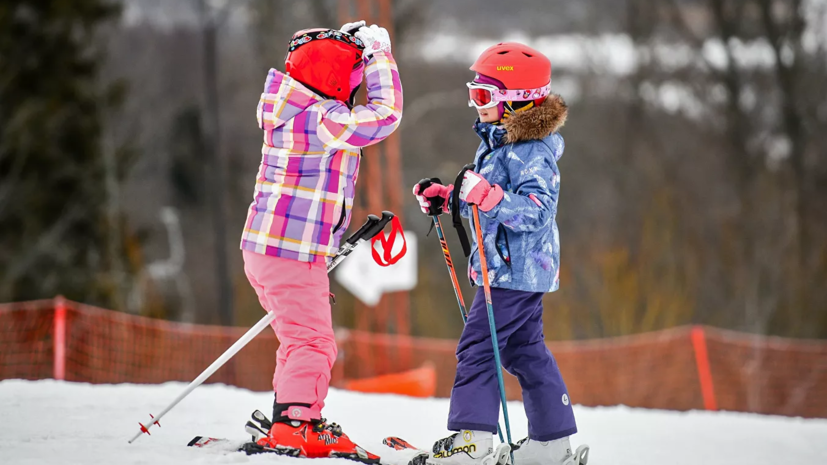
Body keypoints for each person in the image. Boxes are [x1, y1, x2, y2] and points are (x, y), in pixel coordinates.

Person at [412, 42, 588, 465]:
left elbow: (538, 211)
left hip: (514, 270)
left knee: (478, 348)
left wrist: (488, 196)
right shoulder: (503, 143)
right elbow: (488, 198)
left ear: (517, 103)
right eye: (474, 93)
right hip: (513, 270)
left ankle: (473, 442)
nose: (476, 105)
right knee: (523, 351)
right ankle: (551, 444)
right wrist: (451, 197)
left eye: (485, 96)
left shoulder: (532, 151)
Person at [241, 21, 402, 462]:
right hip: (290, 253)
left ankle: (287, 415)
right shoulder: (323, 120)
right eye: (349, 79)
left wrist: (344, 47)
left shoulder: (291, 110)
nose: (352, 90)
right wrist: (378, 56)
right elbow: (386, 115)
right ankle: (297, 424)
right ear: (332, 80)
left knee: (298, 338)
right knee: (315, 342)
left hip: (267, 249)